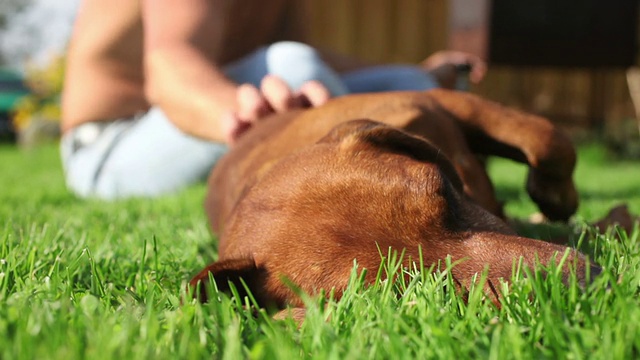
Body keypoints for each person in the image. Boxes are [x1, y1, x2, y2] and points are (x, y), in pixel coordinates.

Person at [61, 0, 487, 200]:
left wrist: (418, 74)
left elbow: (313, 61)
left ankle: (433, 169)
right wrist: (251, 113)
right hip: (110, 148)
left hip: (209, 113)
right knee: (291, 65)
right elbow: (170, 65)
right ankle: (384, 183)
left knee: (406, 80)